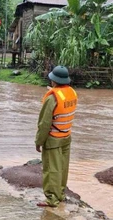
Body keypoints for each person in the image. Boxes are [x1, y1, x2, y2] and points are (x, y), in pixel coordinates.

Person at [35, 65, 78, 207]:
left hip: (53, 139)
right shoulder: (71, 93)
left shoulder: (52, 98)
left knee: (51, 168)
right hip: (66, 137)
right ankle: (60, 193)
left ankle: (52, 199)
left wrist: (39, 141)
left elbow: (44, 123)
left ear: (54, 81)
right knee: (63, 167)